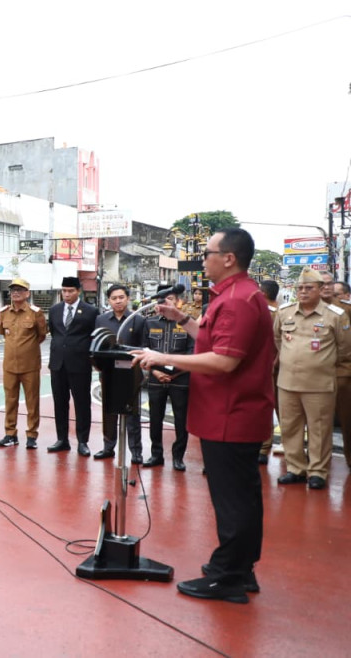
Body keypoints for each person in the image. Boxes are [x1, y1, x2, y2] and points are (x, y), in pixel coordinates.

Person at [132, 228, 275, 604]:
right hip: (228, 413)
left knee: (232, 500)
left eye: (208, 252)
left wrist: (163, 357)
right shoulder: (233, 296)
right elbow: (215, 341)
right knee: (241, 497)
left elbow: (224, 361)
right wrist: (182, 320)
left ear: (228, 258)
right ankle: (240, 569)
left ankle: (227, 576)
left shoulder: (238, 300)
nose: (203, 259)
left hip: (230, 415)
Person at [274, 269, 350, 490]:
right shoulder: (284, 312)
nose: (303, 292)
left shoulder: (335, 315)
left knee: (319, 429)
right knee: (289, 427)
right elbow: (278, 340)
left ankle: (317, 471)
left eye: (309, 288)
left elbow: (345, 348)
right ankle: (296, 468)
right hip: (287, 382)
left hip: (319, 383)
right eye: (300, 288)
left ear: (320, 289)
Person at [140, 284, 192, 471]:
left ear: (178, 301)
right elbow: (144, 350)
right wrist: (155, 372)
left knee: (181, 420)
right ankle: (156, 455)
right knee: (155, 418)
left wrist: (176, 373)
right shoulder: (149, 323)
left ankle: (178, 457)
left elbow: (192, 352)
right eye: (162, 300)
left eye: (170, 299)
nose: (166, 303)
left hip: (180, 378)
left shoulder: (187, 323)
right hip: (156, 378)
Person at [93, 284, 145, 464]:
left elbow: (144, 346)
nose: (118, 301)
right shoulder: (101, 319)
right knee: (109, 412)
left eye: (121, 297)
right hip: (109, 373)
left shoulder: (137, 319)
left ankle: (136, 451)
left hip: (131, 374)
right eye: (114, 298)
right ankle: (108, 447)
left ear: (128, 298)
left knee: (132, 414)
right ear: (109, 300)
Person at [47, 276, 98, 455]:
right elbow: (54, 332)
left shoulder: (91, 311)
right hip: (58, 364)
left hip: (80, 364)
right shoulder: (54, 310)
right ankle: (62, 439)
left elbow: (94, 337)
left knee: (82, 404)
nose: (67, 294)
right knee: (60, 403)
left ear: (78, 291)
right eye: (64, 291)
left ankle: (83, 441)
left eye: (70, 291)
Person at [0, 278, 47, 449]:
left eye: (20, 289)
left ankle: (32, 435)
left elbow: (41, 336)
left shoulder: (35, 313)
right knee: (10, 400)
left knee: (32, 401)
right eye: (13, 290)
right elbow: (3, 333)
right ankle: (10, 434)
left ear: (28, 293)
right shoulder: (4, 312)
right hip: (9, 365)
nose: (16, 292)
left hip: (30, 365)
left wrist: (27, 348)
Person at [257, 279, 282, 464]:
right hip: (275, 367)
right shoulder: (283, 312)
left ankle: (264, 448)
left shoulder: (270, 313)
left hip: (271, 367)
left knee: (269, 408)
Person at [330, 281, 351, 469]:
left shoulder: (347, 312)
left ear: (346, 296)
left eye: (336, 294)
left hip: (344, 373)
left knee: (347, 421)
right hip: (320, 374)